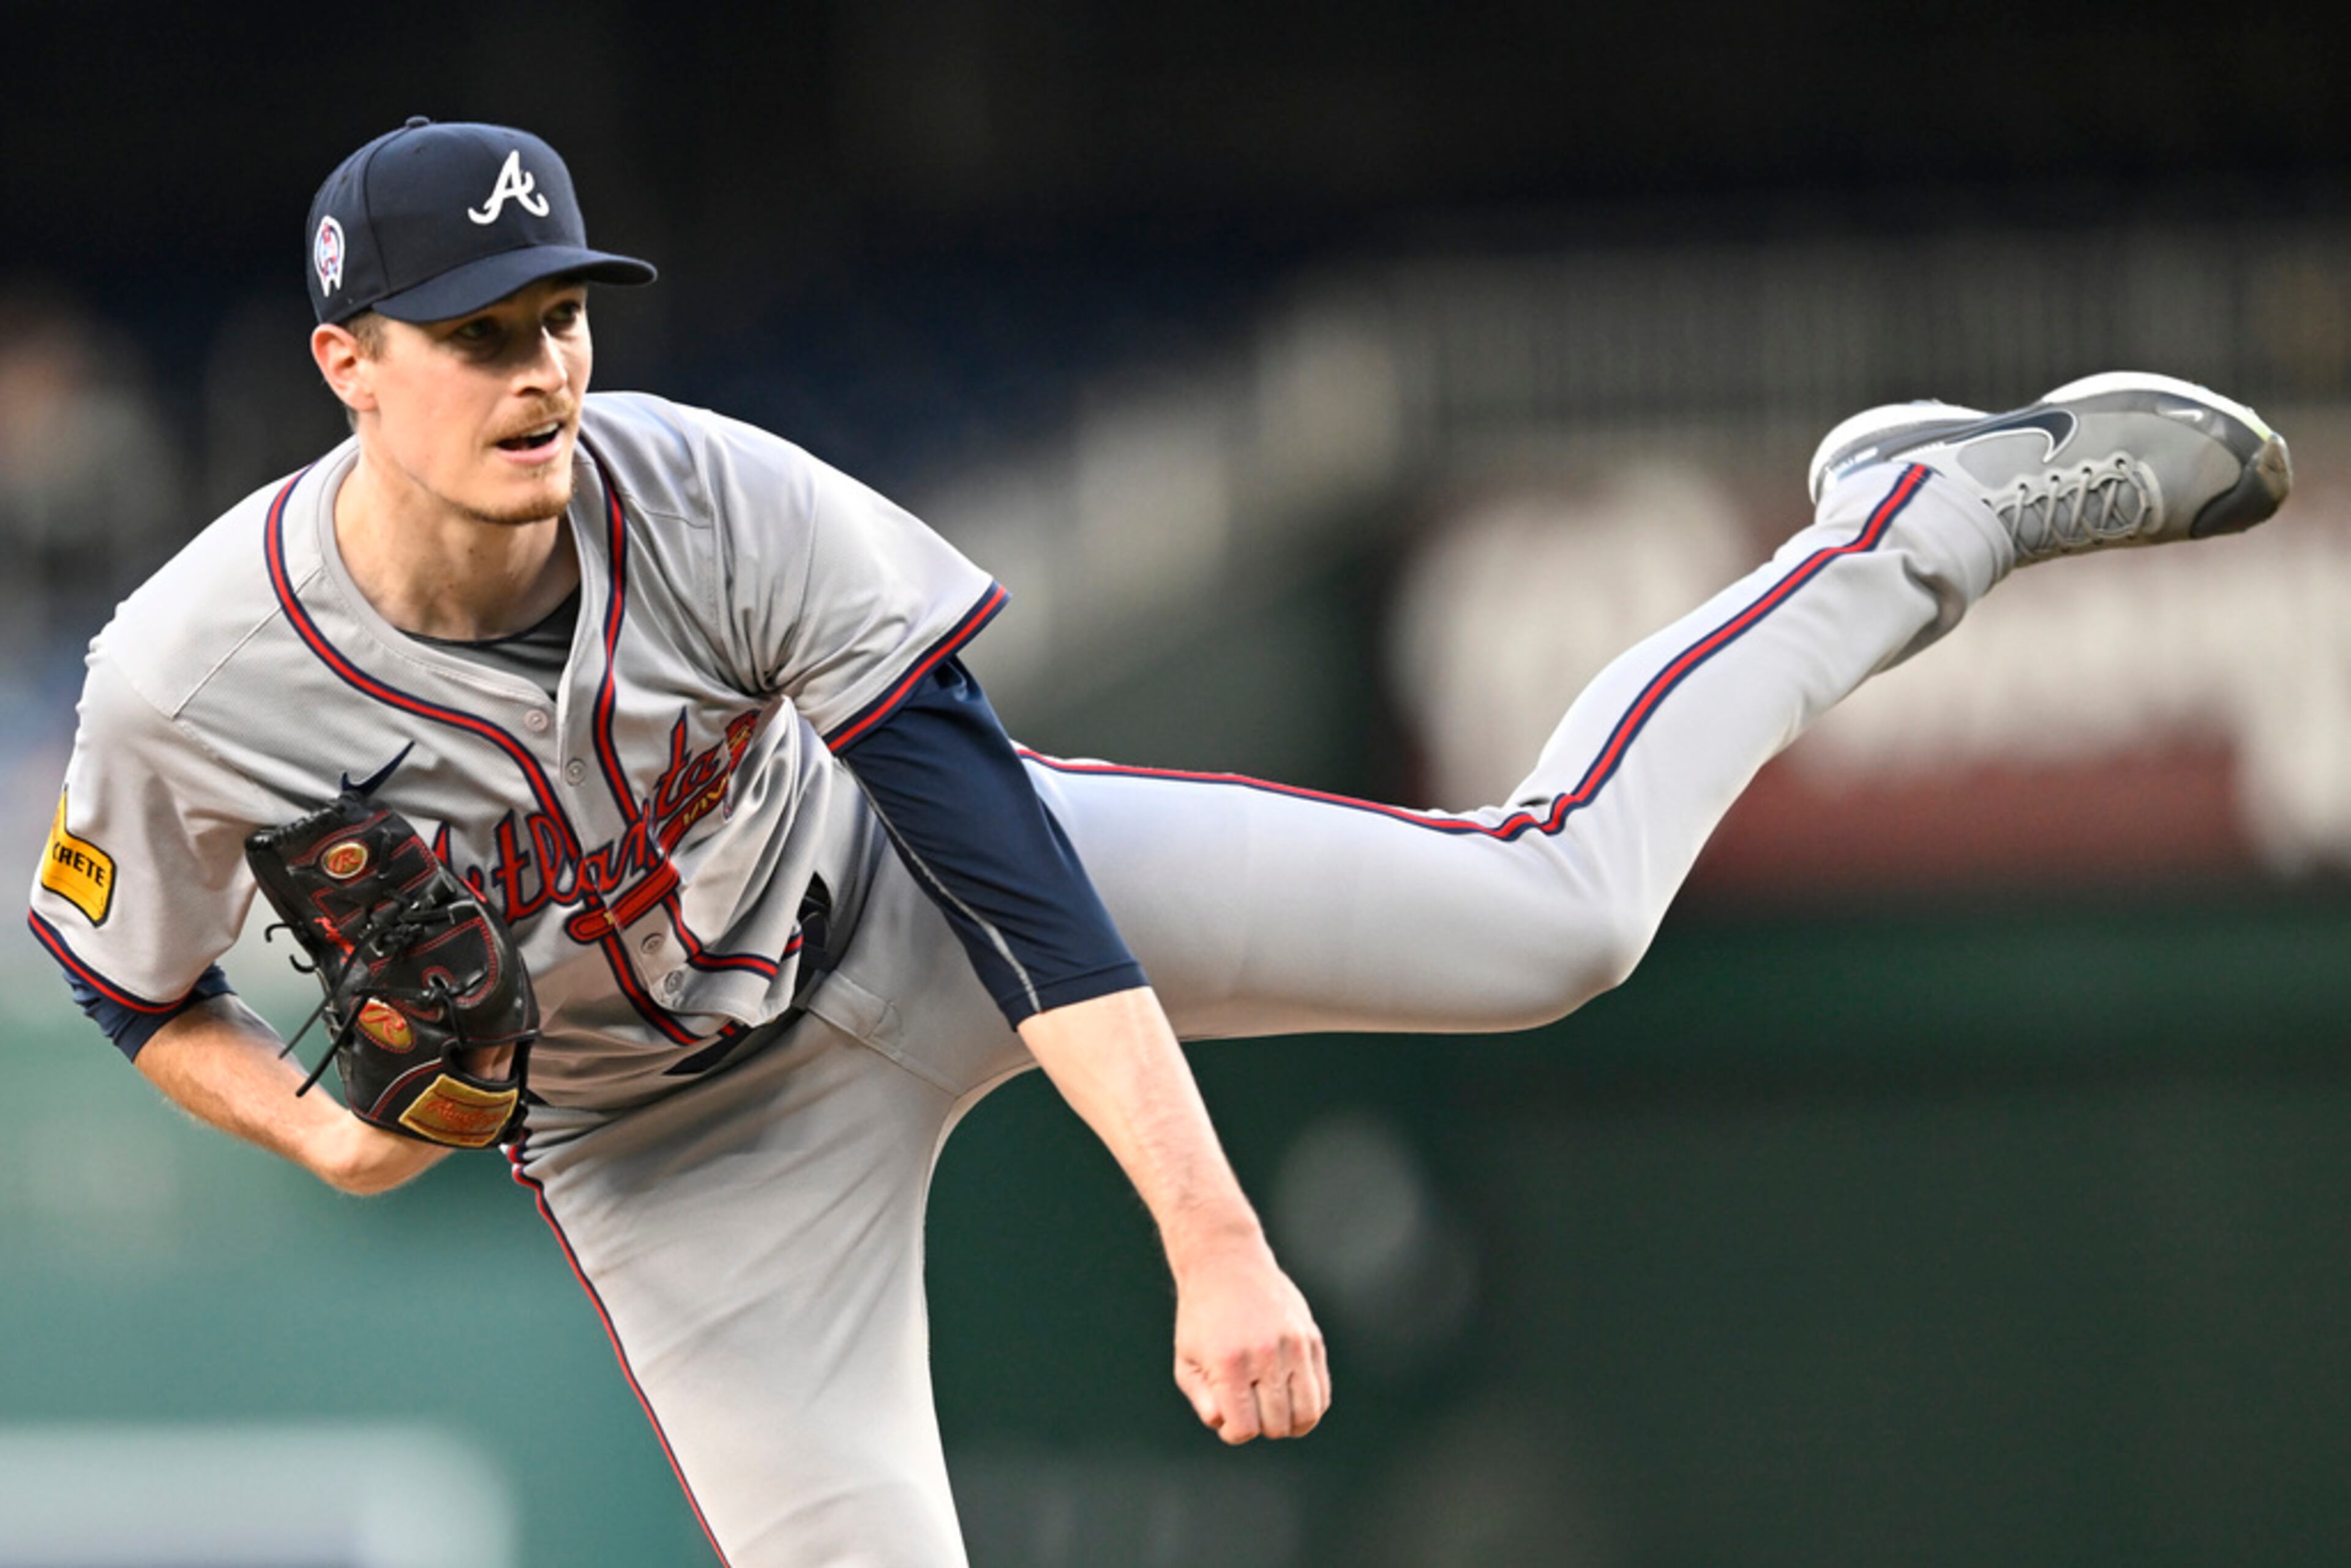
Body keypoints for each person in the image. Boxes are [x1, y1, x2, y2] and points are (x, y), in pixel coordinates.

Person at [26, 119, 2291, 1567]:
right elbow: (124, 981)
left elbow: (1010, 872)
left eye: (559, 318)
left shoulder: (716, 500)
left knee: (1563, 916)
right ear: (347, 363)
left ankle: (1917, 519)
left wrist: (1211, 1241)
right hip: (673, 1171)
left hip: (894, 912)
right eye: (472, 334)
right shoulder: (189, 677)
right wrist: (318, 1141)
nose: (539, 372)